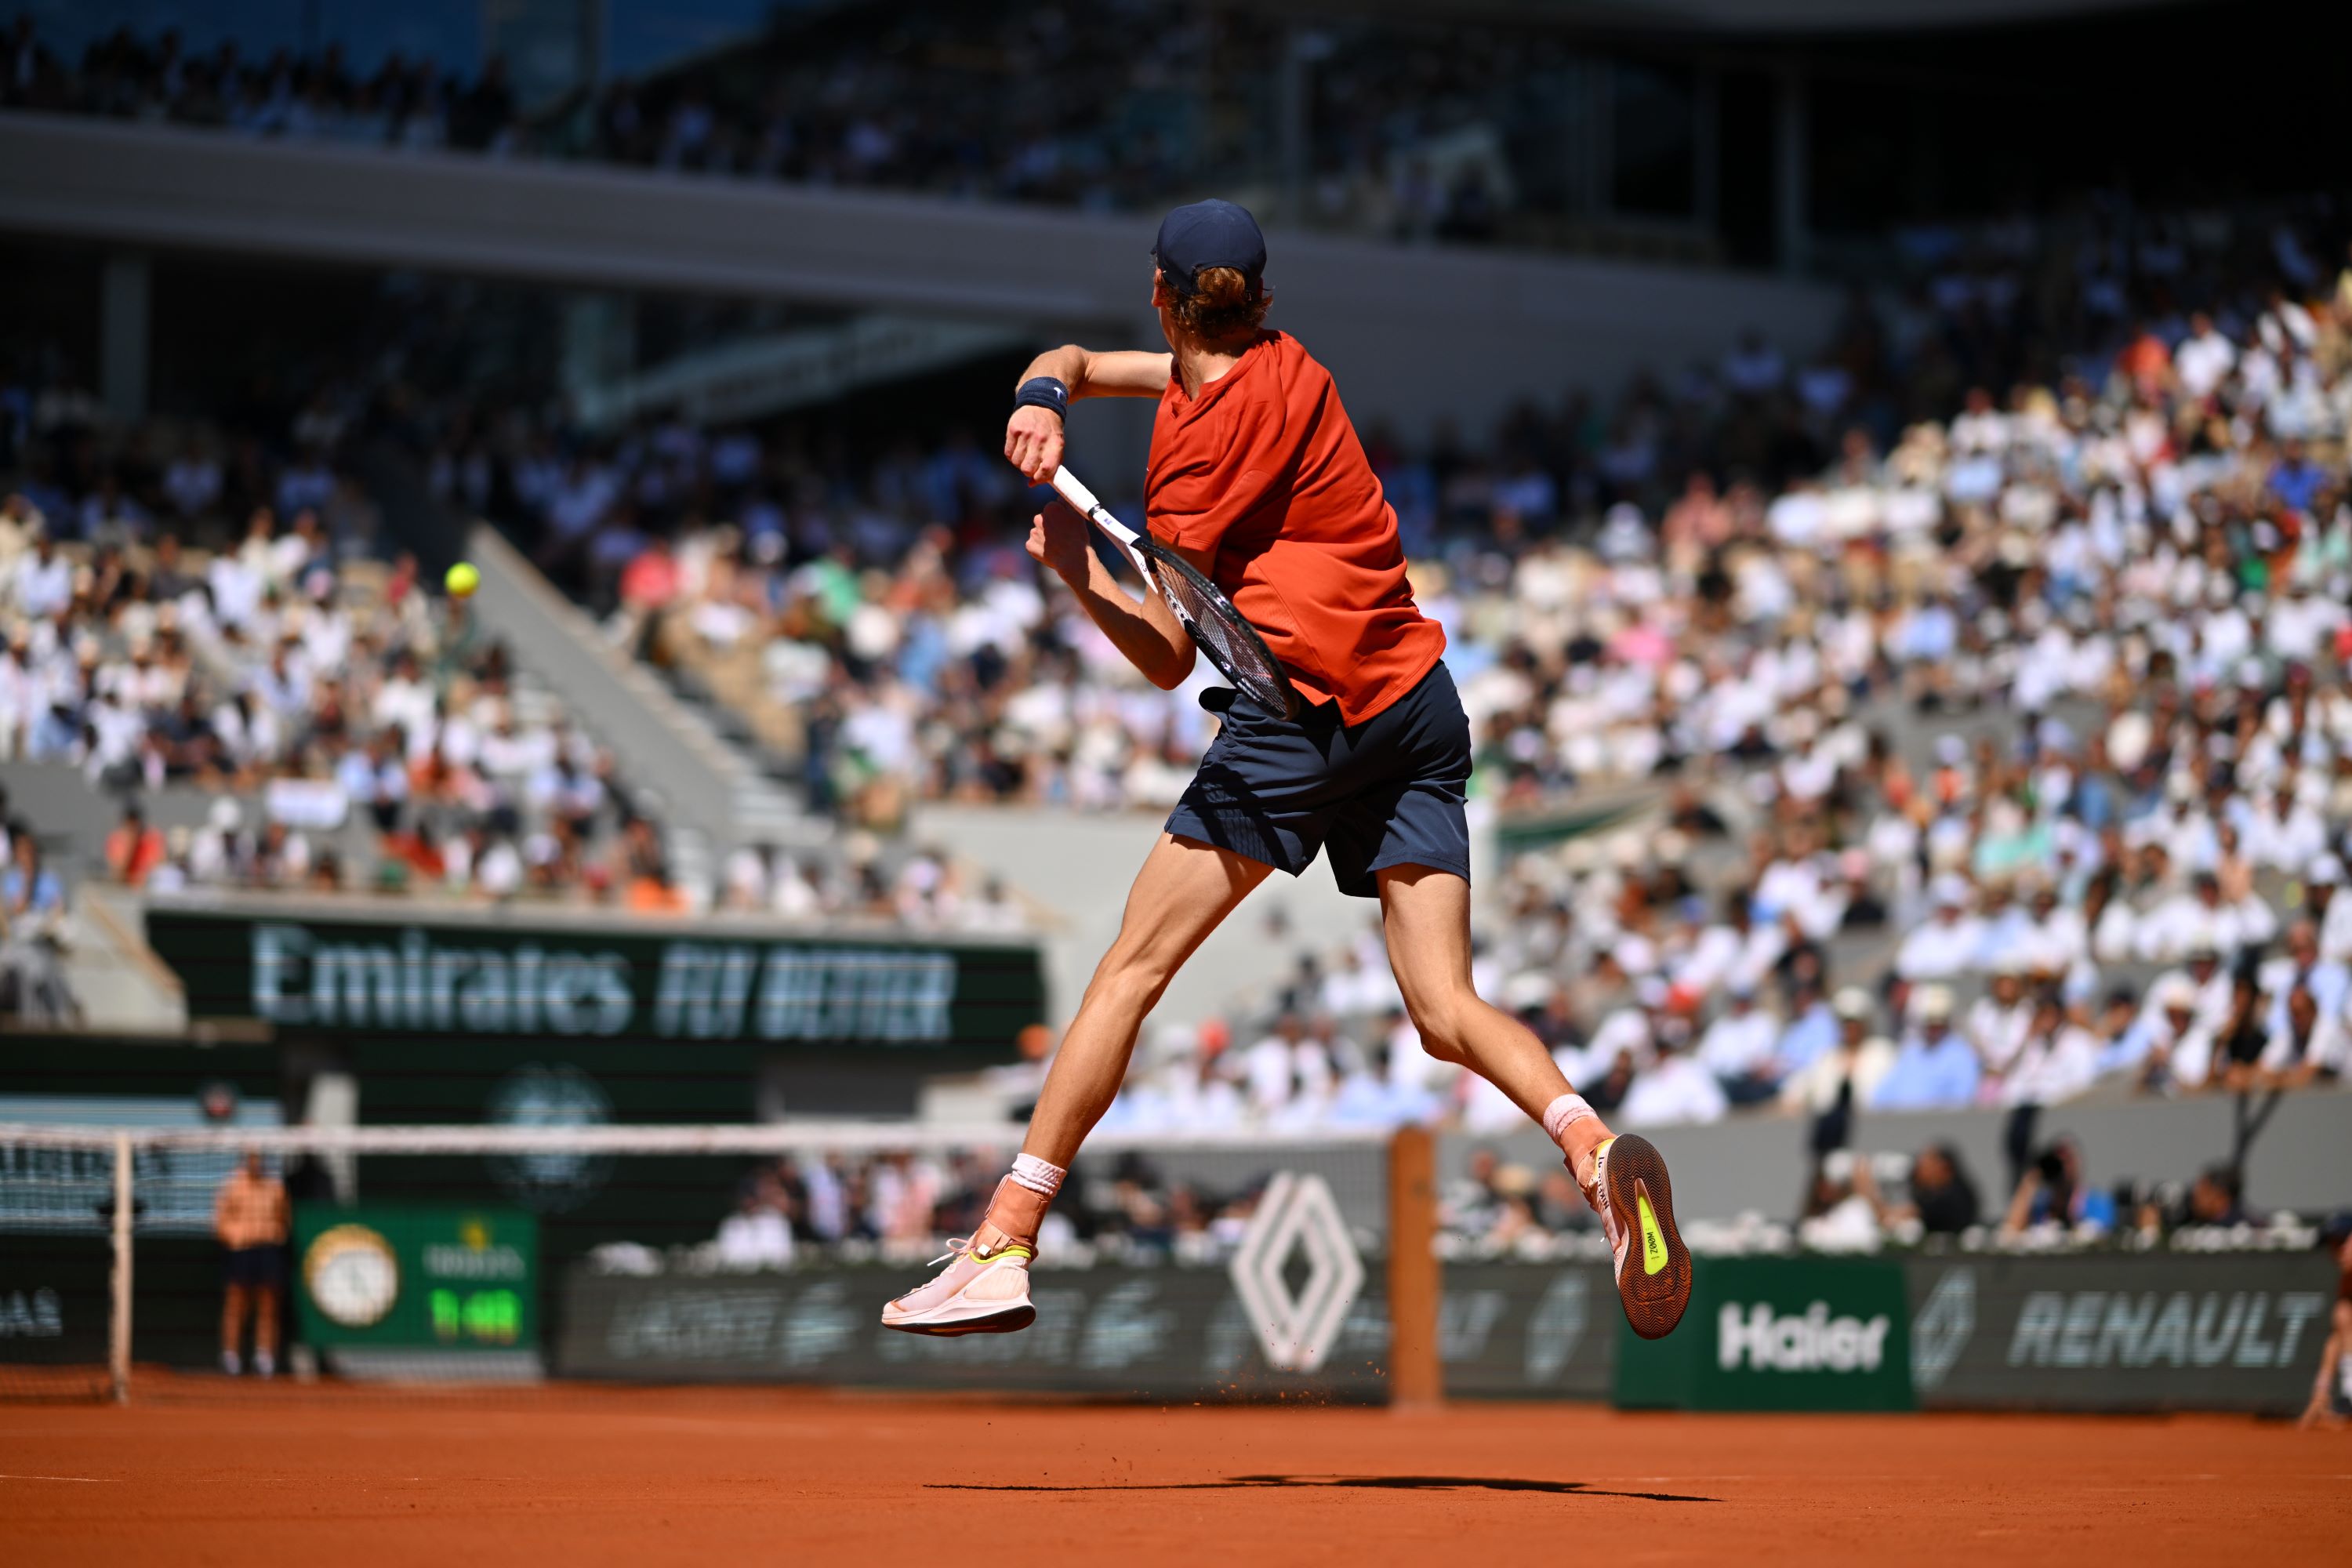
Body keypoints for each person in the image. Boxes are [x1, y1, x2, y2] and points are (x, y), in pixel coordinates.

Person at [880, 199, 1690, 1342]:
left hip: (1300, 724)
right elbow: (1071, 361)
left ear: (1162, 293)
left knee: (1129, 971)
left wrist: (1076, 568)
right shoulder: (1290, 365)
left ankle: (1004, 1241)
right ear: (1253, 300)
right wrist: (1043, 394)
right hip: (1418, 706)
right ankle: (1592, 1152)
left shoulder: (1196, 460)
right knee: (1446, 1007)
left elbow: (1168, 656)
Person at [212, 1149, 289, 1377]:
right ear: (246, 1160)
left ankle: (264, 1356)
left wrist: (274, 1235)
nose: (257, 1161)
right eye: (252, 1157)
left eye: (260, 1157)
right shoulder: (232, 1185)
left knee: (268, 1305)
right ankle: (230, 1356)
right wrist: (236, 1237)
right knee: (236, 1304)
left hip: (267, 1249)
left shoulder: (275, 1187)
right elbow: (220, 1221)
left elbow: (284, 1218)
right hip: (241, 1251)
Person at [2299, 1217, 2352, 1429]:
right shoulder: (2348, 1279)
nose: (2336, 1252)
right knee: (2343, 1315)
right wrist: (2321, 1392)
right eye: (2332, 1245)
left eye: (2341, 1243)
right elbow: (2338, 1336)